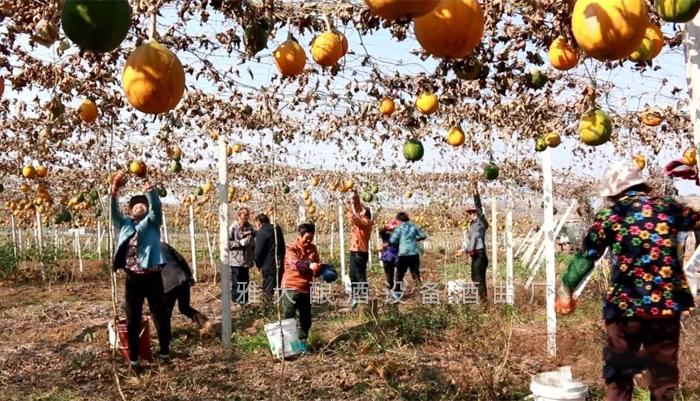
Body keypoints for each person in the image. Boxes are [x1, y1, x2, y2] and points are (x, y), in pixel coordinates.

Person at [556, 160, 700, 401]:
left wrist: (566, 287)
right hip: (664, 309)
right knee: (663, 382)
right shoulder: (668, 208)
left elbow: (587, 256)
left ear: (613, 192)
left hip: (625, 309)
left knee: (619, 381)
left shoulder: (611, 215)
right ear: (641, 185)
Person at [110, 170, 170, 369]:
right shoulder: (124, 224)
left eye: (143, 204)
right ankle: (134, 359)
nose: (140, 206)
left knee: (160, 315)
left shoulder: (153, 222)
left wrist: (148, 184)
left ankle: (164, 353)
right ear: (130, 210)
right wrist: (115, 190)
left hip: (152, 276)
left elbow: (156, 206)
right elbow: (113, 212)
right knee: (132, 318)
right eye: (136, 205)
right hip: (133, 278)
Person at [281, 223, 322, 351]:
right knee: (289, 316)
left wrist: (320, 270)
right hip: (291, 287)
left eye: (311, 238)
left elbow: (316, 264)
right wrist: (310, 265)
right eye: (307, 238)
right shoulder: (291, 248)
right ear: (300, 235)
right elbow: (294, 264)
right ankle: (289, 346)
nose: (309, 241)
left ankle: (302, 344)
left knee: (305, 318)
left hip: (306, 288)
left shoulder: (313, 248)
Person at [160, 242, 211, 334]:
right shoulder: (163, 245)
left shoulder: (146, 250)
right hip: (183, 278)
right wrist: (190, 276)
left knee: (165, 313)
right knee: (184, 307)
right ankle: (204, 322)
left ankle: (166, 338)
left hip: (169, 282)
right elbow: (181, 259)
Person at [456, 180, 489, 301]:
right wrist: (463, 250)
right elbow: (472, 242)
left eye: (473, 213)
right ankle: (482, 301)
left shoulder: (481, 223)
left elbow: (479, 209)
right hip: (475, 256)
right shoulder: (473, 225)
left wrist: (475, 194)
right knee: (475, 279)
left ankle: (484, 304)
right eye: (470, 213)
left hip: (480, 255)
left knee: (479, 280)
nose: (471, 215)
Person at [389, 212, 427, 298]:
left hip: (403, 254)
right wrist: (415, 239)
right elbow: (423, 235)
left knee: (399, 274)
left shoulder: (399, 228)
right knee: (415, 273)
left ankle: (397, 293)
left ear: (399, 220)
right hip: (414, 253)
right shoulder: (414, 226)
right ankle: (420, 292)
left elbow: (392, 240)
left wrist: (400, 241)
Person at [347, 190, 373, 307]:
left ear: (366, 214)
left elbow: (356, 219)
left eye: (362, 212)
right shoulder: (361, 218)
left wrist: (350, 214)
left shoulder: (366, 222)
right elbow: (357, 208)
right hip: (354, 251)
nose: (359, 212)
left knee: (360, 275)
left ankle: (363, 297)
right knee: (352, 275)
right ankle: (355, 296)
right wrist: (355, 195)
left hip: (360, 252)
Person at [253, 213, 285, 298]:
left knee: (268, 291)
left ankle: (268, 308)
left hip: (268, 266)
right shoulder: (276, 229)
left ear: (259, 223)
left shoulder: (261, 232)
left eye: (256, 224)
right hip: (279, 263)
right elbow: (281, 245)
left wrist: (258, 264)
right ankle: (281, 307)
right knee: (280, 287)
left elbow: (258, 252)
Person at [229, 207, 255, 305]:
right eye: (245, 215)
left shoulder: (250, 227)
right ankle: (236, 301)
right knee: (237, 282)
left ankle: (244, 301)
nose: (247, 217)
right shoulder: (233, 228)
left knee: (245, 281)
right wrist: (239, 243)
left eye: (248, 215)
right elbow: (227, 244)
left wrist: (252, 258)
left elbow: (252, 244)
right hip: (236, 260)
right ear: (239, 215)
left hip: (246, 260)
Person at [379, 218, 400, 293]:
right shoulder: (385, 235)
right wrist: (385, 227)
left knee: (398, 276)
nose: (392, 230)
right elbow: (381, 232)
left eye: (394, 228)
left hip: (397, 258)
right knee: (389, 276)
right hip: (387, 258)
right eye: (391, 228)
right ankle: (390, 289)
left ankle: (397, 291)